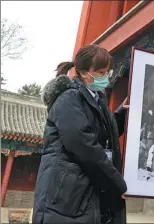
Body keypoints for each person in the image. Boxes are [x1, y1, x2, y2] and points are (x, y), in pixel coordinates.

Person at [33, 45, 128, 224]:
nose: (106, 77)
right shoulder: (68, 99)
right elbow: (85, 145)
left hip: (88, 190)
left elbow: (105, 133)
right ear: (84, 73)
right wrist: (117, 183)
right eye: (101, 72)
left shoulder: (98, 99)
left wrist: (123, 113)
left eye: (108, 72)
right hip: (67, 196)